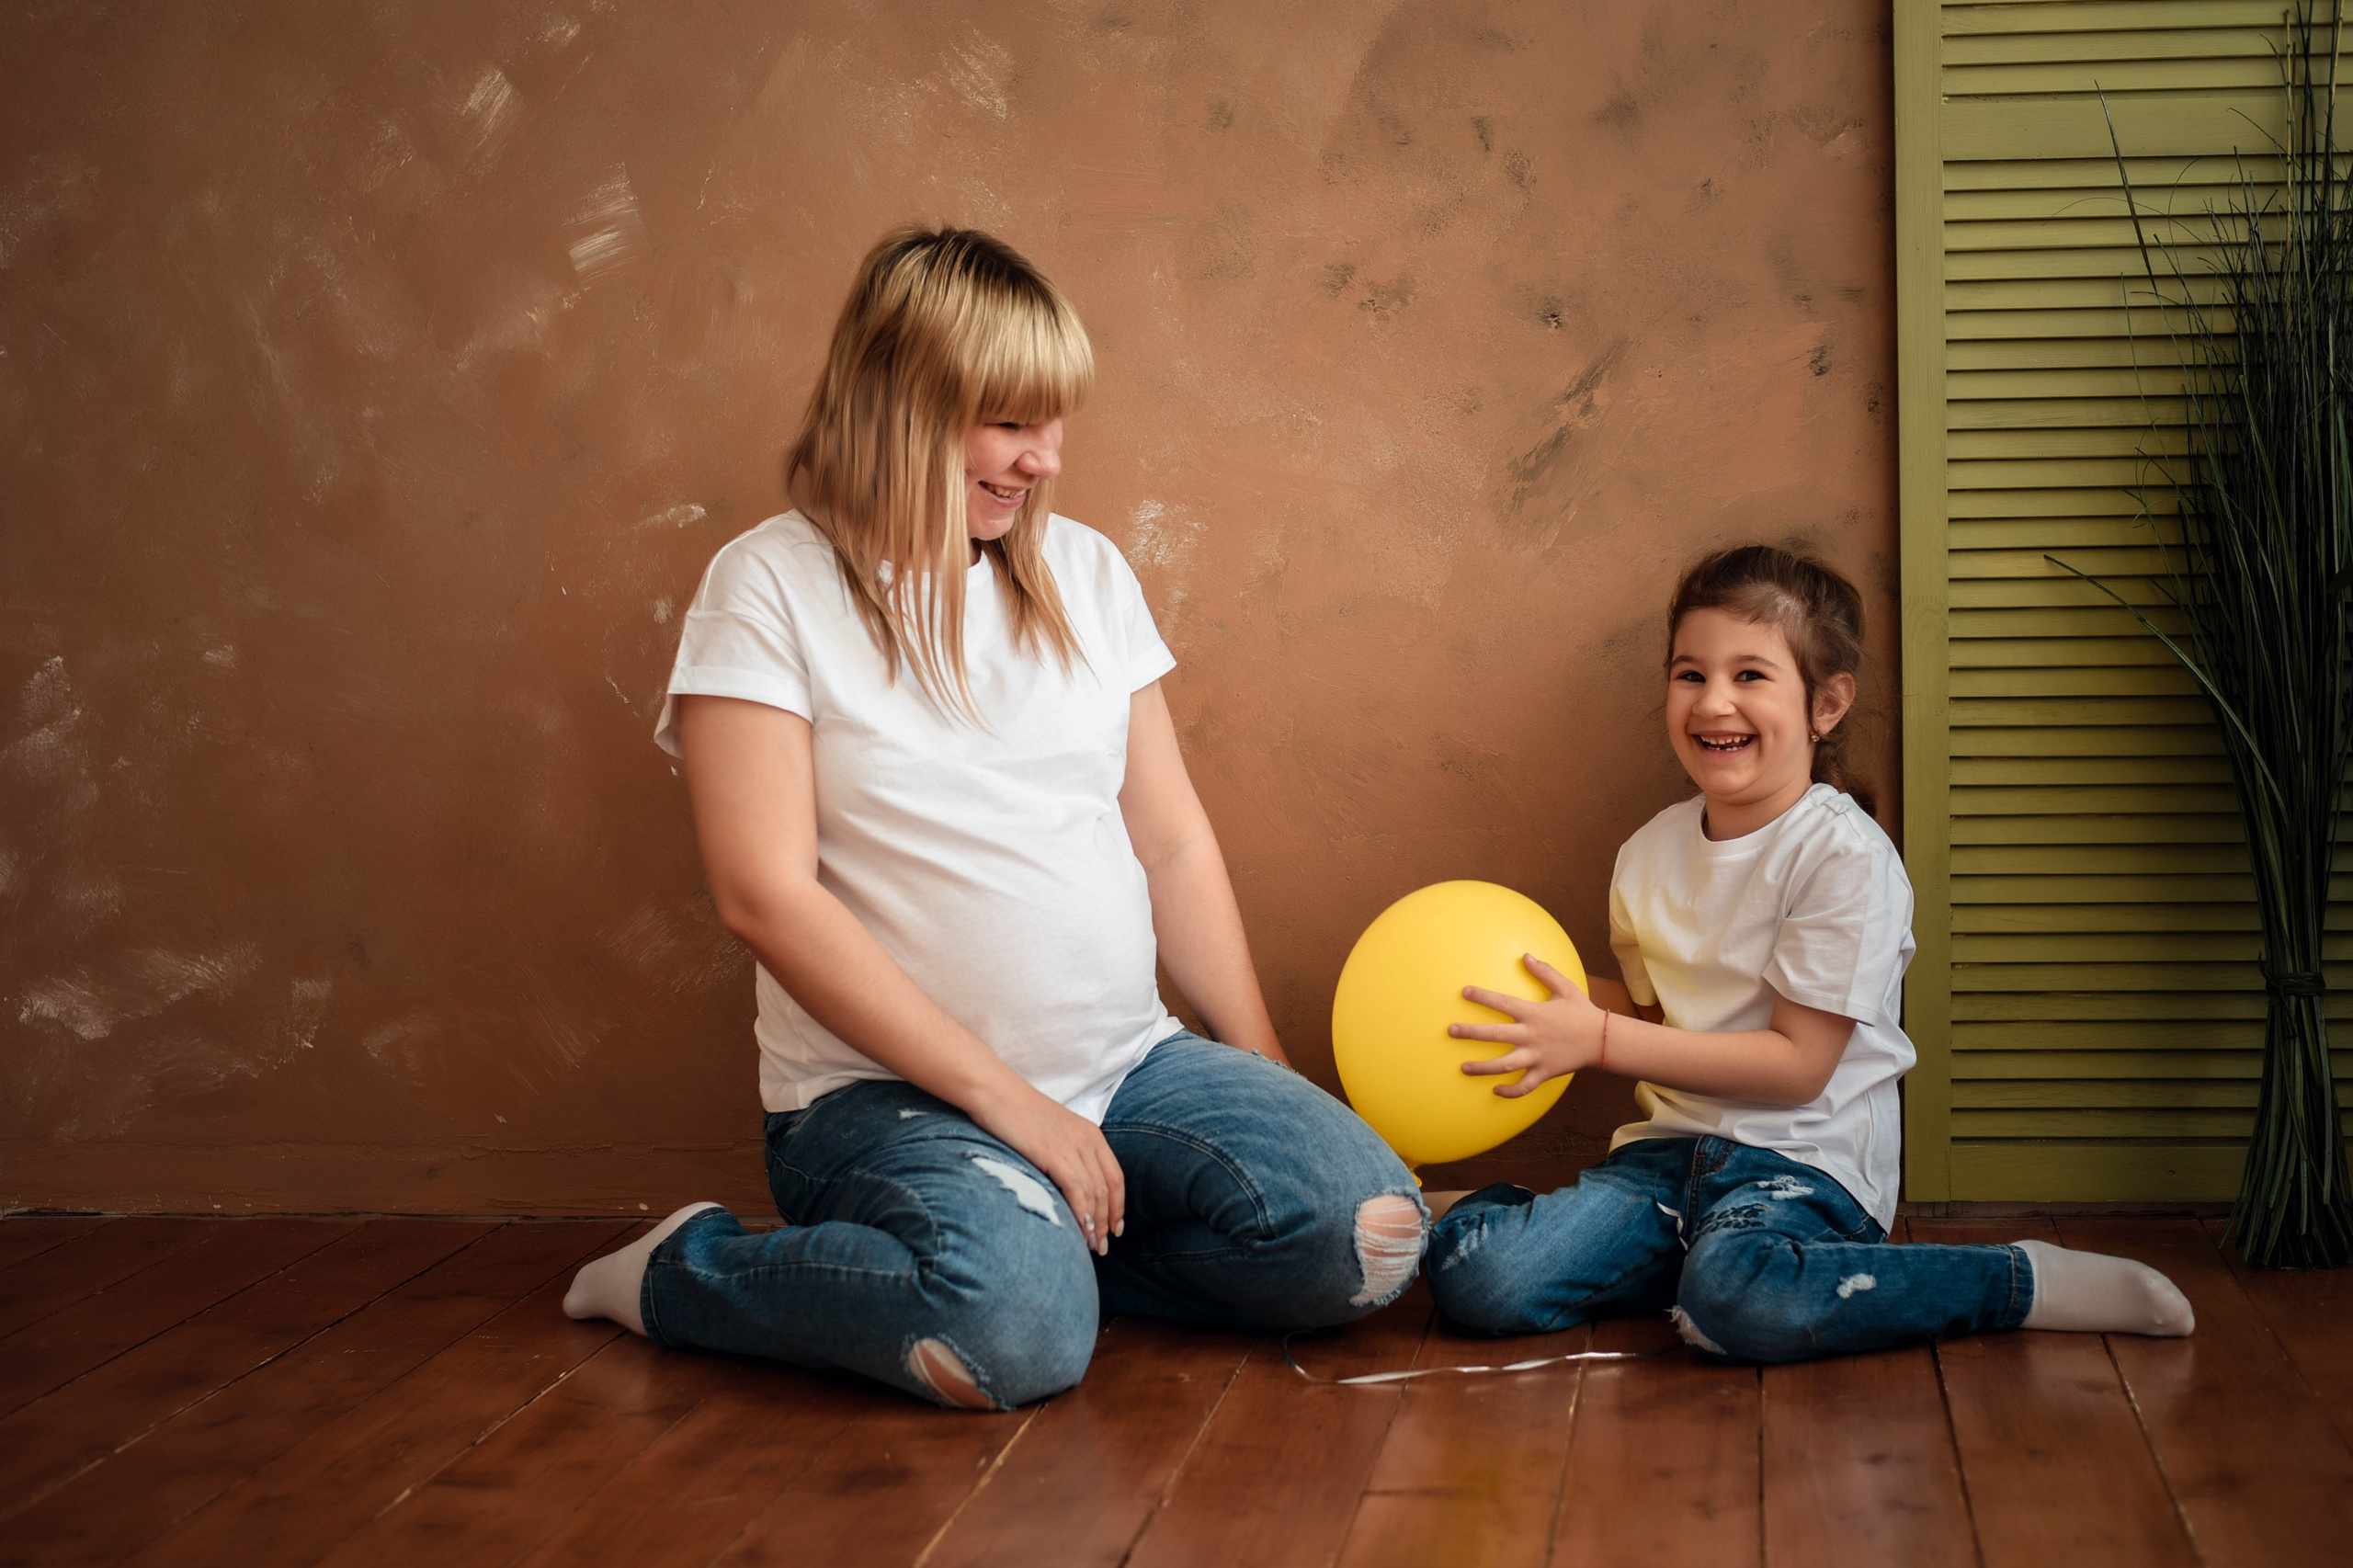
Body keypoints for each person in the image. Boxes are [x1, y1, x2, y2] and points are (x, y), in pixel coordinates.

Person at [561, 225, 1425, 1409]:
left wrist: (1263, 1065)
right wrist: (1010, 1102)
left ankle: (1048, 1255)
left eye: (1053, 422)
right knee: (1009, 1335)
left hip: (1126, 1065)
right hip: (882, 1103)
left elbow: (1170, 841)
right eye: (1011, 422)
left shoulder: (1088, 572)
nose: (1045, 459)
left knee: (1368, 1235)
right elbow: (764, 895)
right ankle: (684, 1271)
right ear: (900, 404)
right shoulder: (767, 585)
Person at [1424, 545, 2193, 1361]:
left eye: (1750, 675)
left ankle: (2014, 1280)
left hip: (1803, 1167)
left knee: (1742, 1300)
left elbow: (1798, 1067)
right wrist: (1547, 1002)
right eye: (1691, 674)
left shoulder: (1843, 858)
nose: (1713, 701)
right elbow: (1657, 1015)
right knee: (1481, 1279)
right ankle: (1523, 1222)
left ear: (1826, 704)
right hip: (1665, 1160)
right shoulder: (1646, 854)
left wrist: (1599, 1040)